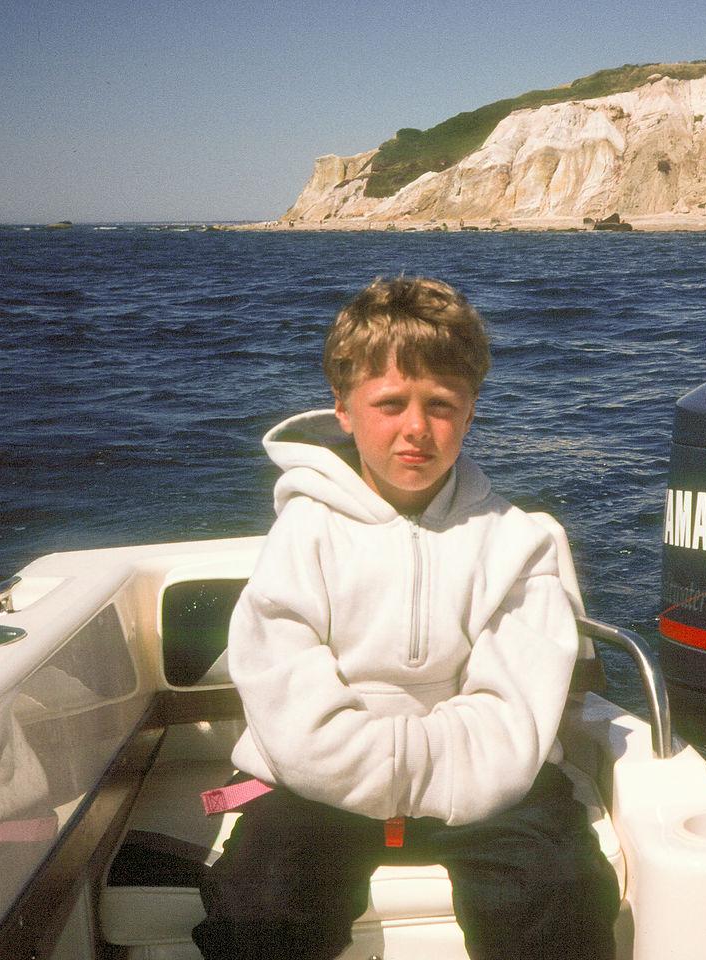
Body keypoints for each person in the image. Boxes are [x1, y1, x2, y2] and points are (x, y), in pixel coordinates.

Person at [192, 275, 618, 960]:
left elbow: (512, 714)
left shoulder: (521, 542)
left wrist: (412, 776)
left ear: (472, 409)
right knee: (258, 905)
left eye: (441, 405)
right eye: (390, 403)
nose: (416, 428)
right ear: (343, 408)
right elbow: (291, 706)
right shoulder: (302, 536)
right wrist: (383, 774)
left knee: (561, 892)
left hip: (489, 788)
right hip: (318, 785)